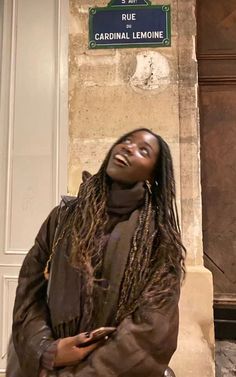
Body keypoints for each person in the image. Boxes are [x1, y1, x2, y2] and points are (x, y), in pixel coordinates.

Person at [7, 128, 186, 377]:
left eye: (143, 150)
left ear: (153, 174)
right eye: (125, 141)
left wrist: (78, 374)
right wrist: (47, 351)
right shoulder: (63, 217)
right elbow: (29, 289)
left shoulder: (158, 238)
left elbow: (152, 329)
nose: (128, 148)